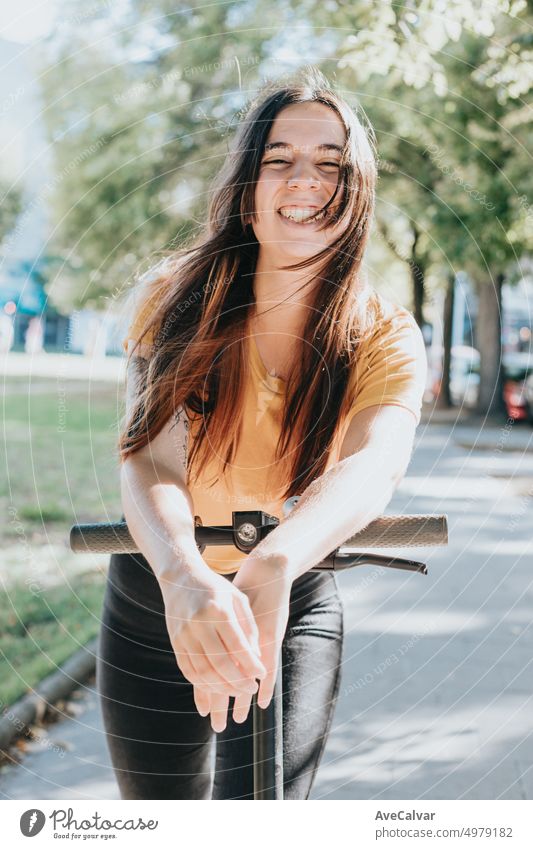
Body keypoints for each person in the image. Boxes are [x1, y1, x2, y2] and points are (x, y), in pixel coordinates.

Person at [96, 66, 427, 800]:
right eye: (278, 159)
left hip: (291, 588)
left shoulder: (386, 335)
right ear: (247, 191)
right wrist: (183, 574)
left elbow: (374, 464)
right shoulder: (174, 299)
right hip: (158, 589)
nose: (304, 179)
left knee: (256, 825)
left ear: (358, 192)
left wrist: (273, 564)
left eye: (330, 163)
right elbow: (151, 456)